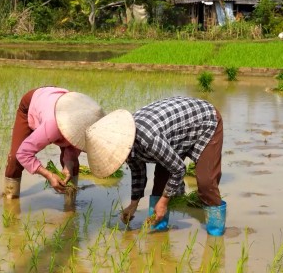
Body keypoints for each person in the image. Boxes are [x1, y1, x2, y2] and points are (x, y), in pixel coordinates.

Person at [85, 96, 223, 229]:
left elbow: (179, 169)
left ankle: (216, 233)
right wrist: (133, 204)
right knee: (160, 182)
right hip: (174, 132)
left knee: (206, 182)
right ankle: (158, 228)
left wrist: (164, 201)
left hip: (205, 121)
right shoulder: (126, 143)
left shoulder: (148, 139)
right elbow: (138, 172)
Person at [3, 86, 105, 199]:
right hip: (34, 101)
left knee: (73, 163)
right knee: (15, 159)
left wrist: (69, 165)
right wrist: (49, 175)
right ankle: (10, 201)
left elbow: (73, 147)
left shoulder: (84, 127)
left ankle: (70, 203)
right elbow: (23, 153)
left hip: (63, 102)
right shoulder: (53, 125)